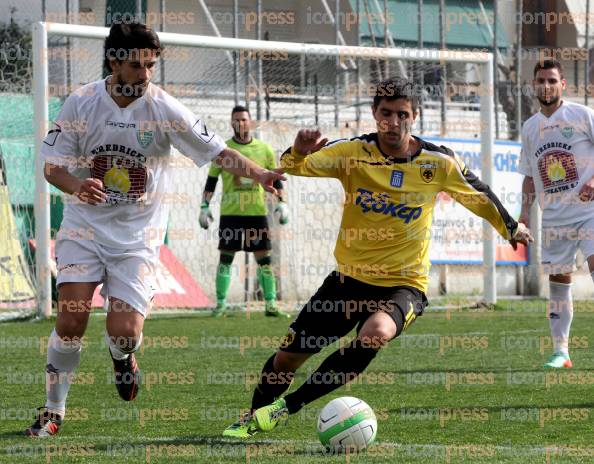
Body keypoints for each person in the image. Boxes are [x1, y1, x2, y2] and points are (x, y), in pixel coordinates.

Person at [222, 78, 533, 438]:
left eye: (402, 114)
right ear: (374, 114)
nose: (393, 122)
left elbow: (478, 194)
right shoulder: (352, 152)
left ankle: (286, 408)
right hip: (348, 281)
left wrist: (511, 228)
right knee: (286, 360)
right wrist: (299, 151)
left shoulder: (439, 162)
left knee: (376, 332)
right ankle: (253, 416)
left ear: (414, 116)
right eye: (386, 113)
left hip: (405, 285)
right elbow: (295, 168)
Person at [25, 22, 284, 437]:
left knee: (125, 333)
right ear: (114, 62)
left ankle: (121, 355)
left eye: (151, 65)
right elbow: (53, 166)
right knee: (71, 319)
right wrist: (77, 185)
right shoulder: (81, 102)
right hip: (83, 229)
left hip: (137, 239)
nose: (145, 74)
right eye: (136, 65)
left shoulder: (165, 108)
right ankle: (53, 410)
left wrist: (261, 174)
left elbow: (218, 151)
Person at [518, 59, 594, 369]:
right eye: (540, 80)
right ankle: (561, 352)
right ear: (534, 85)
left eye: (552, 80)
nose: (546, 86)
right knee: (560, 281)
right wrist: (523, 214)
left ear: (563, 84)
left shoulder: (581, 115)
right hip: (553, 218)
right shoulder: (529, 127)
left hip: (589, 210)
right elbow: (527, 175)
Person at [199, 105, 290, 318]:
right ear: (231, 123)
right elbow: (211, 181)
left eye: (244, 119)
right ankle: (220, 304)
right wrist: (204, 206)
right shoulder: (222, 149)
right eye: (236, 120)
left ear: (251, 122)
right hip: (230, 213)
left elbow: (275, 177)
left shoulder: (264, 150)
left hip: (256, 213)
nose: (240, 123)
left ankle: (270, 304)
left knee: (264, 258)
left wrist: (281, 202)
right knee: (226, 258)